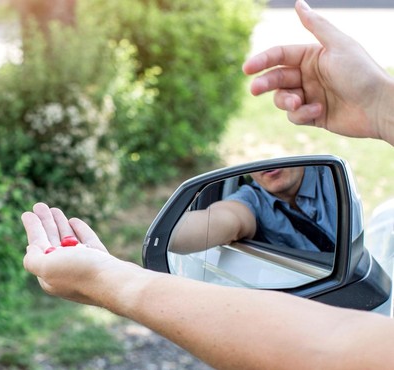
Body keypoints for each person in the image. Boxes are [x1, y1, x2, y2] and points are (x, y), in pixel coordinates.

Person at [21, 1, 394, 368]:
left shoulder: (330, 180)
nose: (266, 174)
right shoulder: (250, 202)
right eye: (256, 172)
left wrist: (106, 279)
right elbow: (217, 222)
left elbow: (329, 348)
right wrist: (379, 103)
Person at [169, 165, 337, 254]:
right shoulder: (249, 199)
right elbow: (221, 219)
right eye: (255, 157)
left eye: (273, 144)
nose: (267, 163)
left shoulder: (331, 175)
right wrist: (165, 232)